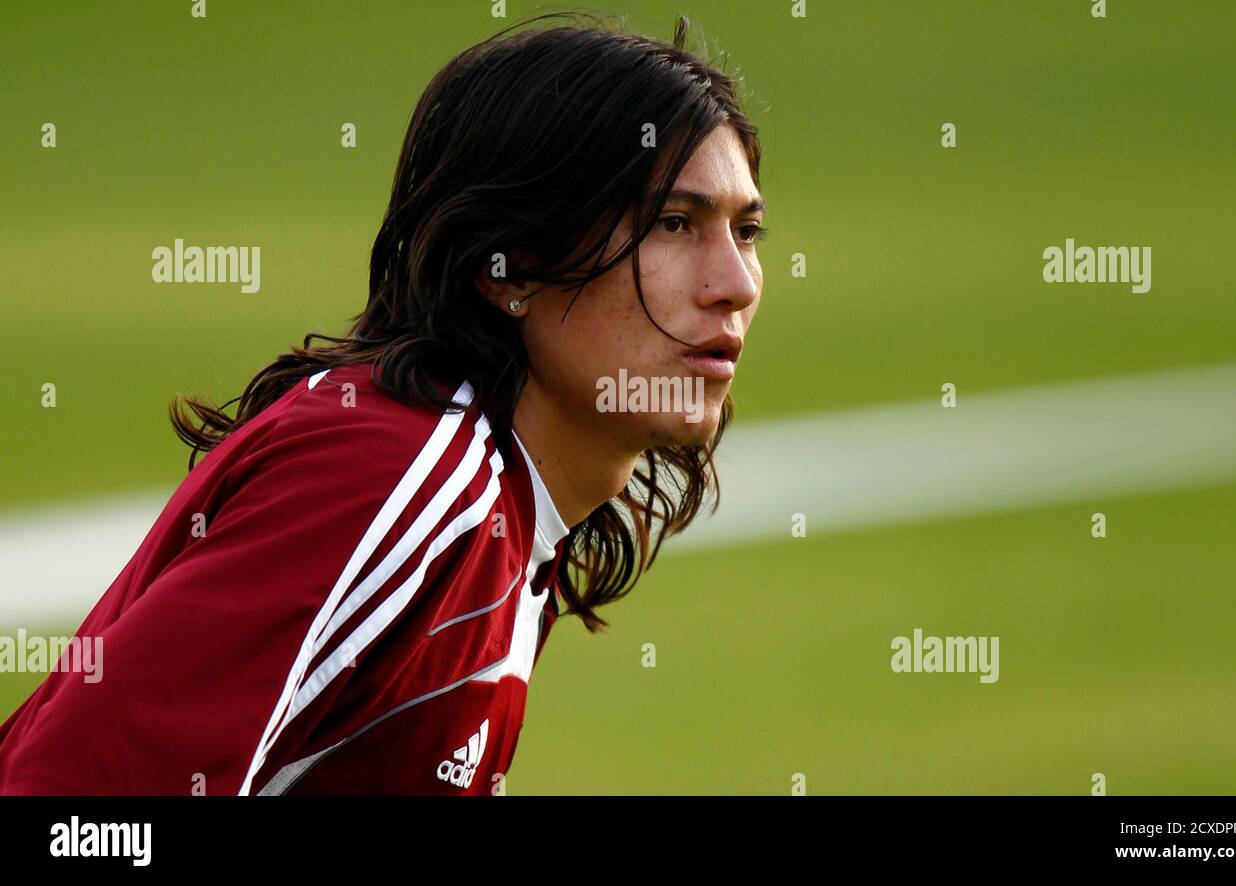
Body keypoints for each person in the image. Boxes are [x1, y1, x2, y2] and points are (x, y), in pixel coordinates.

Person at [0, 11, 766, 795]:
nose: (735, 285)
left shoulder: (503, 514)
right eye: (674, 224)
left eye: (747, 232)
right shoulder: (400, 477)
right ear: (510, 271)